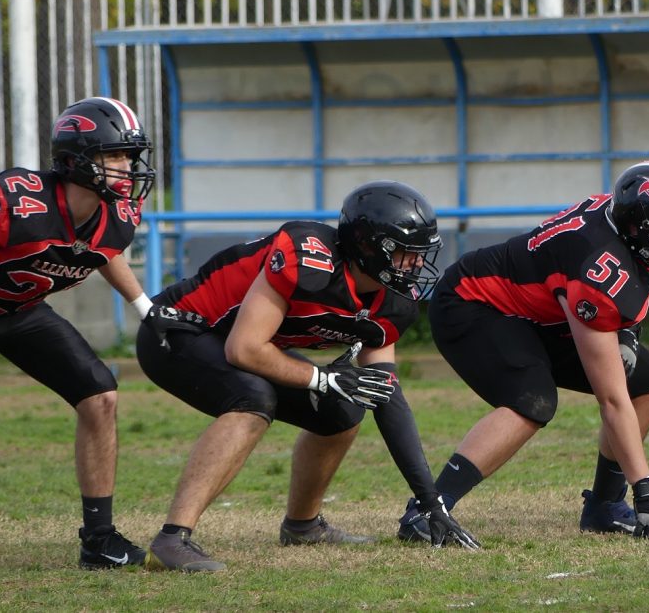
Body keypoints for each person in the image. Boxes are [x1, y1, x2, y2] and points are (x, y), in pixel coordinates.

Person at [136, 181, 478, 573]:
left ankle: (303, 525)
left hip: (239, 340)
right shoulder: (309, 260)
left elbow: (385, 395)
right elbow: (244, 349)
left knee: (344, 410)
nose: (415, 266)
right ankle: (172, 538)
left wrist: (430, 502)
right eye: (404, 254)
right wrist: (321, 378)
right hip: (181, 330)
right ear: (368, 247)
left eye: (419, 255)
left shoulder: (393, 303)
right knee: (253, 397)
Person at [396, 161, 649, 542]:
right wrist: (646, 490)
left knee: (647, 381)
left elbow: (634, 288)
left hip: (541, 313)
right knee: (533, 401)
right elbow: (611, 400)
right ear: (637, 230)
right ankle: (428, 510)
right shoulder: (598, 267)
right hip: (474, 304)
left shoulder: (623, 229)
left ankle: (605, 506)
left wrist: (628, 334)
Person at [0, 96, 156, 568]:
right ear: (77, 159)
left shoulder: (118, 215)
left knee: (99, 395)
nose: (126, 167)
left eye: (129, 156)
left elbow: (103, 250)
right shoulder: (24, 202)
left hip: (19, 309)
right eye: (113, 155)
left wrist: (142, 306)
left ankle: (99, 541)